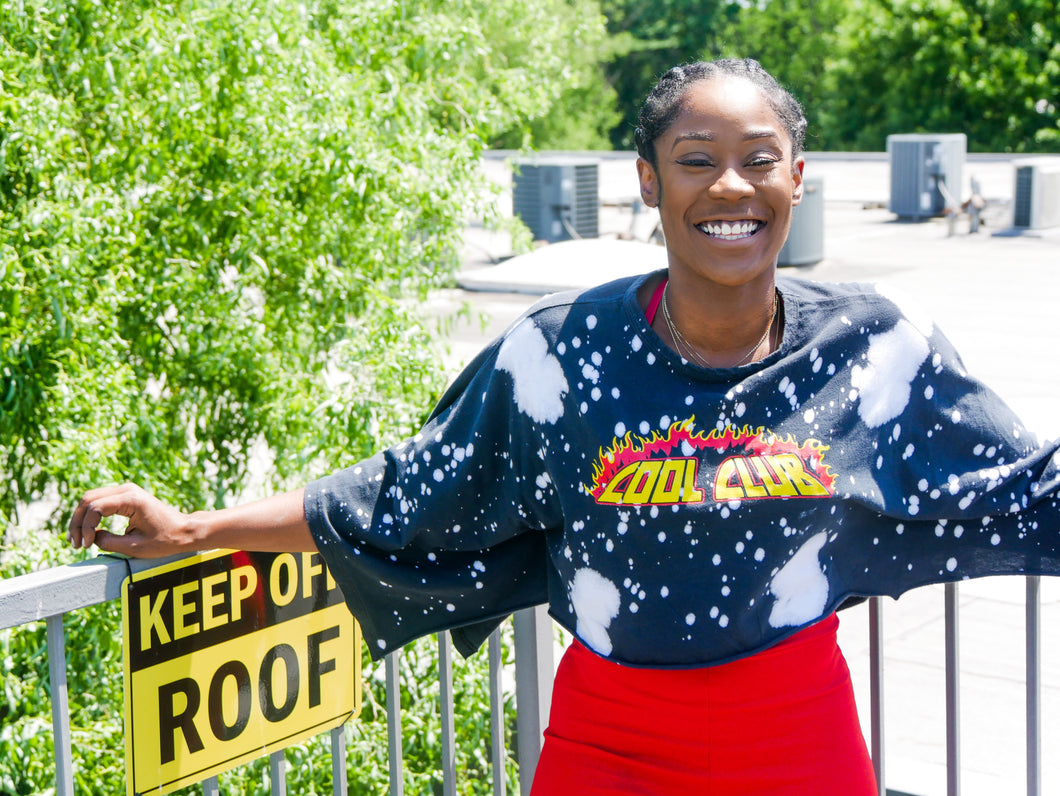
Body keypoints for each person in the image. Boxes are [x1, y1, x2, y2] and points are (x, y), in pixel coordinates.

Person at [69, 59, 1060, 794]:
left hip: (796, 738)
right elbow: (404, 492)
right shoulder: (556, 354)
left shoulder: (875, 347)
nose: (729, 188)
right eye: (694, 161)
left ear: (795, 180)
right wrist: (193, 530)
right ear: (646, 181)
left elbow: (1027, 488)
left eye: (759, 161)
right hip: (607, 745)